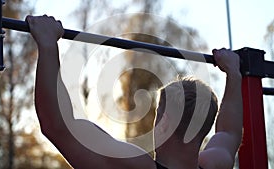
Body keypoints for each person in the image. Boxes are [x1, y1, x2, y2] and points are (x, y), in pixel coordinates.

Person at [27, 15, 243, 169]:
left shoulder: (134, 164)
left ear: (165, 122)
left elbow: (58, 126)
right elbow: (229, 133)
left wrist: (47, 45)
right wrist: (234, 73)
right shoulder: (215, 163)